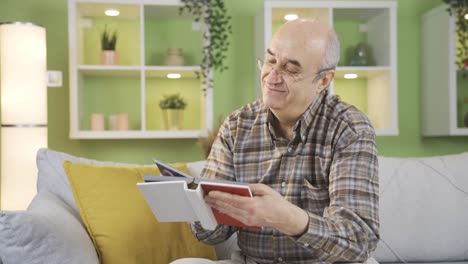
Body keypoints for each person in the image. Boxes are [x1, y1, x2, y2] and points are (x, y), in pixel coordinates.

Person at [172, 19, 379, 264]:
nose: (272, 77)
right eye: (270, 61)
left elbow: (358, 241)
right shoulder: (237, 125)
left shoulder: (349, 128)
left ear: (323, 80)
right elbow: (211, 235)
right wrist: (200, 208)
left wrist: (287, 218)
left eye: (291, 69)